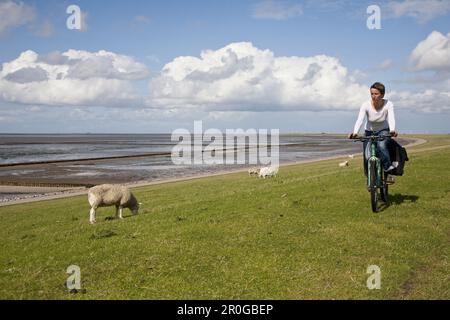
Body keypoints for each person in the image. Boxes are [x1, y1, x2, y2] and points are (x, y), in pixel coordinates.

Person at [348, 82, 398, 173]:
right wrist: (355, 132)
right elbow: (360, 119)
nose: (373, 96)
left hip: (383, 130)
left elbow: (391, 118)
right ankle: (369, 178)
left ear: (382, 95)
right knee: (367, 156)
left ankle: (387, 167)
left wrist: (392, 130)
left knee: (381, 146)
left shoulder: (388, 104)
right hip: (369, 132)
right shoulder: (365, 105)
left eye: (376, 94)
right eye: (372, 94)